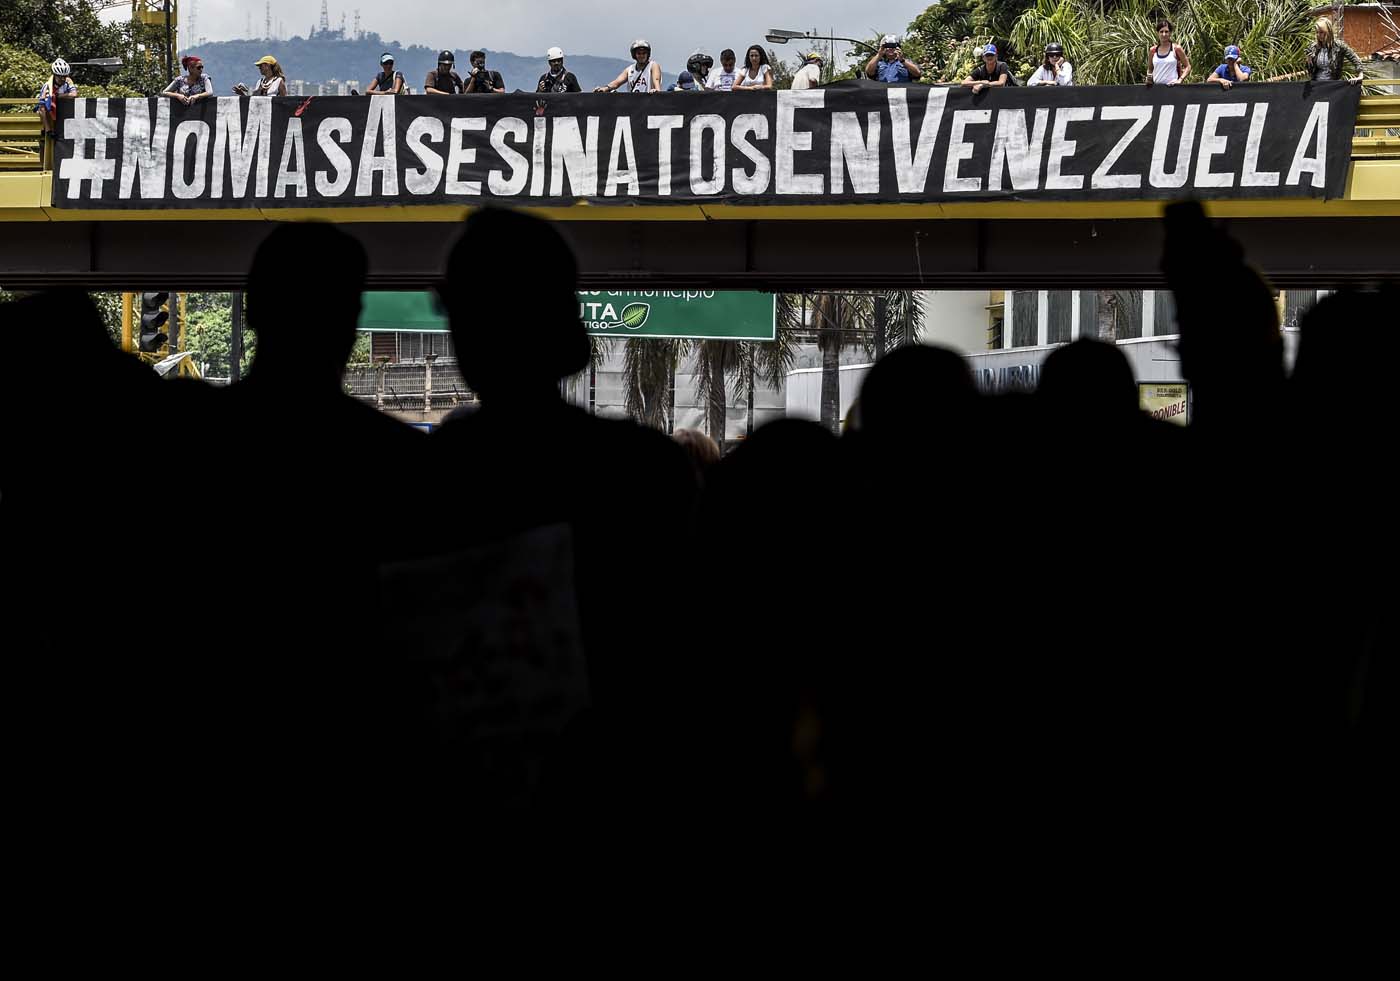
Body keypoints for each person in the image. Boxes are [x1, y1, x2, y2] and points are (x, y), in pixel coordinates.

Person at [1306, 18, 1364, 84]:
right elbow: (1310, 71)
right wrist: (1309, 62)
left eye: (1321, 32)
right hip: (1317, 84)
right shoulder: (1313, 48)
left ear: (1328, 32)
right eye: (1317, 32)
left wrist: (1360, 75)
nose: (1319, 35)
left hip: (1334, 85)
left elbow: (1355, 59)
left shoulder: (1339, 46)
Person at [595, 39, 662, 93]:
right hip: (633, 104)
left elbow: (656, 80)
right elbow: (616, 83)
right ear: (634, 55)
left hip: (650, 103)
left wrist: (656, 90)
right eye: (639, 53)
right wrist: (605, 88)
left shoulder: (653, 66)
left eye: (644, 53)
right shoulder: (629, 70)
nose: (641, 56)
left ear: (648, 54)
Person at [34, 59, 76, 136]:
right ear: (54, 75)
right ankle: (47, 131)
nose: (62, 79)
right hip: (47, 116)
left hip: (63, 113)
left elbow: (74, 94)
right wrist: (48, 129)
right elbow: (42, 107)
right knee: (44, 106)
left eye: (64, 76)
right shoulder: (47, 86)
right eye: (60, 77)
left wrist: (57, 96)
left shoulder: (68, 81)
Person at [1146, 18, 1189, 86]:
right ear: (1157, 33)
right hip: (1156, 89)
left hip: (1173, 89)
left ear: (1170, 33)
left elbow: (1188, 66)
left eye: (1166, 31)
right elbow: (1150, 69)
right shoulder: (1153, 50)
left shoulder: (1176, 49)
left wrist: (1180, 80)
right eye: (1161, 31)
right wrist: (1149, 78)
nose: (1164, 34)